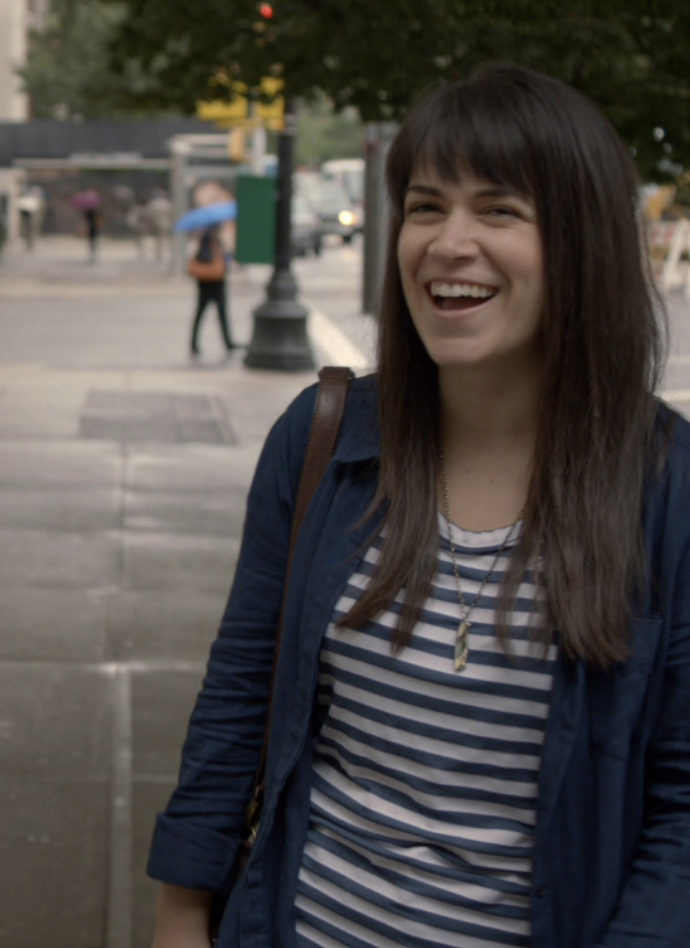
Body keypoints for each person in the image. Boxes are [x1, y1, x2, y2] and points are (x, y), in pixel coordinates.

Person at [147, 63, 690, 948]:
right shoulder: (324, 439)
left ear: (583, 243)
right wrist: (180, 915)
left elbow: (681, 811)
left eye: (499, 210)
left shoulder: (667, 494)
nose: (447, 242)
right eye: (428, 206)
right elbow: (241, 694)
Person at [187, 224, 235, 357]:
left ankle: (195, 344)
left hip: (206, 285)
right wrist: (221, 252)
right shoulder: (211, 242)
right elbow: (208, 259)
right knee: (218, 315)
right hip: (214, 285)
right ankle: (226, 342)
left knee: (203, 315)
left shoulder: (207, 241)